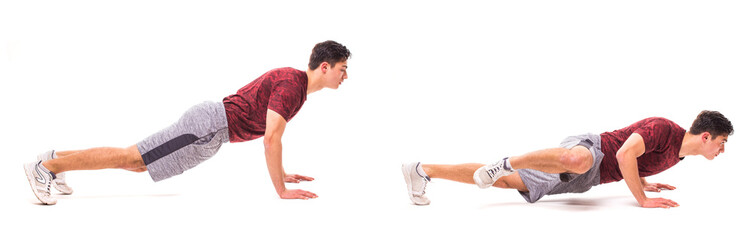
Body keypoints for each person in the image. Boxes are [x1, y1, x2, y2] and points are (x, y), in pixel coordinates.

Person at [24, 40, 351, 205]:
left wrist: (281, 172)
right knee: (133, 158)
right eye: (342, 69)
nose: (345, 76)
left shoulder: (294, 85)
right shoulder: (292, 86)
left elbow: (269, 134)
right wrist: (280, 189)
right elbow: (271, 139)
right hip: (208, 127)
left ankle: (55, 158)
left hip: (210, 129)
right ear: (325, 66)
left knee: (136, 161)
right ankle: (46, 168)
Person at [402, 111, 733, 208]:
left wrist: (647, 180)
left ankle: (421, 170)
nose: (721, 150)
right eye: (721, 143)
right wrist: (642, 198)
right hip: (595, 149)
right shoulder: (663, 128)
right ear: (706, 137)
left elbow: (637, 161)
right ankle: (508, 160)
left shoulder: (678, 156)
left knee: (501, 184)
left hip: (589, 180)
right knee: (576, 159)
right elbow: (623, 153)